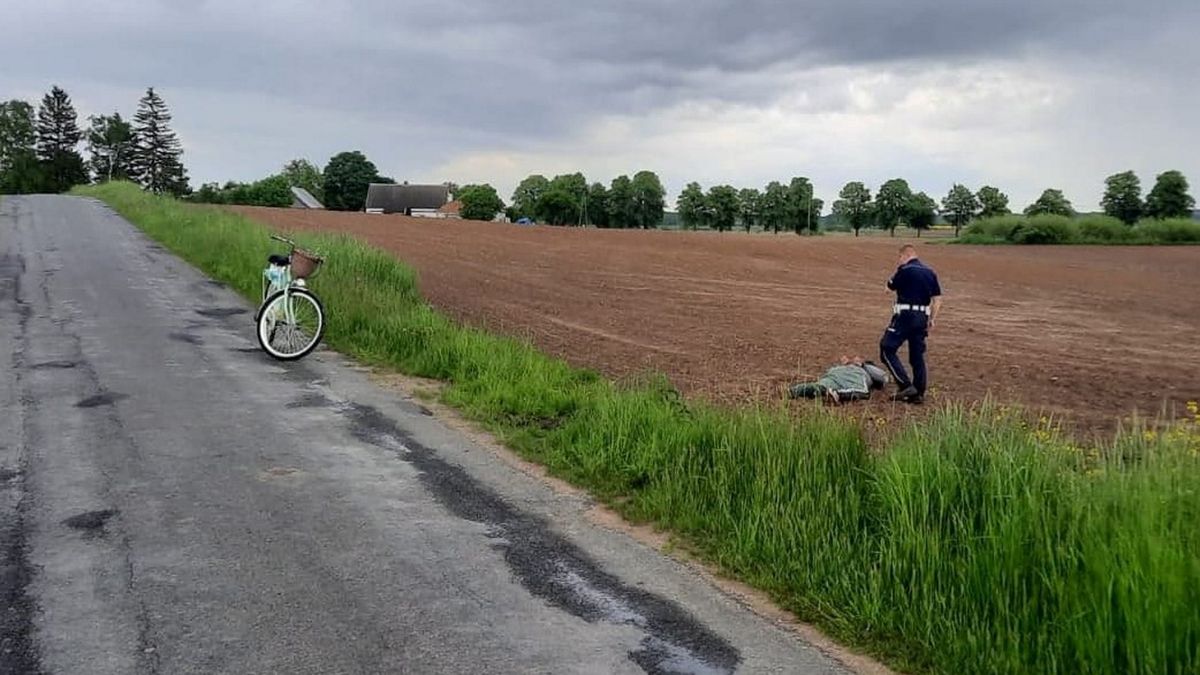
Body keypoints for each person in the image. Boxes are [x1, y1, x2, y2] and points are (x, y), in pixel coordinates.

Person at [880, 244, 942, 404]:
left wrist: (891, 281)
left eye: (899, 258)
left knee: (887, 348)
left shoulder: (905, 270)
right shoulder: (930, 272)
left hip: (905, 315)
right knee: (917, 355)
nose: (899, 261)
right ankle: (919, 393)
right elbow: (937, 299)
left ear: (904, 256)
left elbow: (888, 287)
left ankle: (906, 385)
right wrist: (932, 319)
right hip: (922, 317)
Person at [789, 356, 890, 404]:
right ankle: (837, 394)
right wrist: (863, 365)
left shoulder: (845, 365)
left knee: (819, 386)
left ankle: (793, 390)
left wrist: (846, 363)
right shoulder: (866, 367)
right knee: (862, 392)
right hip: (856, 376)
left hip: (836, 372)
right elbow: (883, 378)